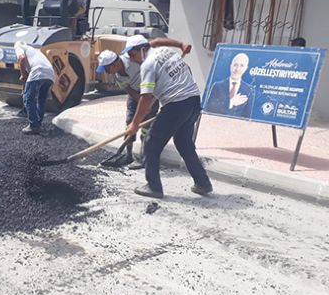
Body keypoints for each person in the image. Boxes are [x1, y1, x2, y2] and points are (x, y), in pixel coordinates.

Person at [124, 36, 213, 199]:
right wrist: (180, 43)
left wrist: (135, 123)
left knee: (151, 143)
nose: (132, 59)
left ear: (141, 49)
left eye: (132, 55)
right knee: (184, 143)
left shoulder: (148, 65)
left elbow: (145, 98)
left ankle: (153, 187)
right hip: (193, 101)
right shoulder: (167, 52)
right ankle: (203, 183)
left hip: (176, 104)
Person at [95, 35, 189, 169]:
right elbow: (129, 90)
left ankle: (144, 158)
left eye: (106, 68)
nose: (106, 72)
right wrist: (141, 102)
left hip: (151, 93)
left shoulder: (134, 57)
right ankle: (127, 155)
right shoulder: (117, 76)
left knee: (146, 129)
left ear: (114, 64)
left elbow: (155, 46)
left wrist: (180, 44)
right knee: (130, 125)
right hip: (137, 96)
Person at [14, 41, 55, 135]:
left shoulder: (18, 46)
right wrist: (25, 81)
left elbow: (22, 58)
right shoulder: (34, 51)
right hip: (50, 74)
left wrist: (22, 74)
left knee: (28, 99)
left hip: (38, 71)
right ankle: (38, 122)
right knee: (41, 99)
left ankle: (34, 126)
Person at [203, 53, 254, 118]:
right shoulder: (217, 86)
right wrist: (230, 102)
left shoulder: (248, 90)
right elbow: (209, 108)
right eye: (235, 65)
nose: (237, 69)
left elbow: (247, 117)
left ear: (246, 68)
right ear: (231, 66)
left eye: (241, 66)